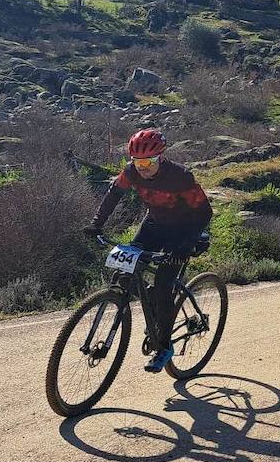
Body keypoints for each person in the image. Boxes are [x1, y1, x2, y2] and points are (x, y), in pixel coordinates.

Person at [84, 128, 213, 374]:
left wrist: (185, 245)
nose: (142, 167)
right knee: (124, 273)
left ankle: (163, 347)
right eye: (138, 161)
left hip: (183, 230)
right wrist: (96, 223)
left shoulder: (180, 177)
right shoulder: (131, 172)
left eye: (148, 162)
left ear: (160, 158)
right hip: (153, 225)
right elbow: (114, 194)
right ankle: (149, 300)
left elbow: (204, 213)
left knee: (164, 284)